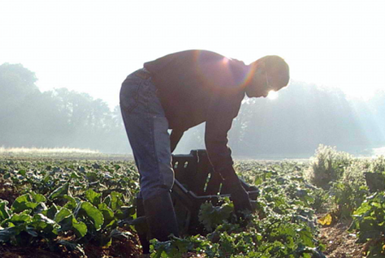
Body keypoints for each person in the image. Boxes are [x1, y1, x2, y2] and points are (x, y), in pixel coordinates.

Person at [120, 50, 289, 241]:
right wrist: (235, 189)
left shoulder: (232, 78)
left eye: (272, 92)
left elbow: (183, 112)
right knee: (158, 176)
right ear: (259, 67)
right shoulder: (231, 81)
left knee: (156, 172)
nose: (265, 95)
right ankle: (166, 251)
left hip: (148, 92)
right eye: (268, 85)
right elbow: (215, 141)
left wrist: (168, 147)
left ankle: (150, 243)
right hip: (143, 89)